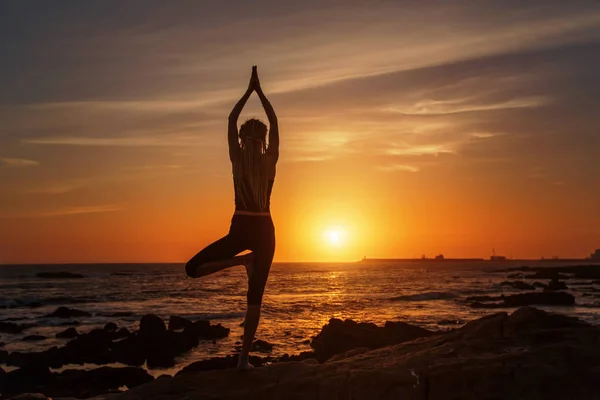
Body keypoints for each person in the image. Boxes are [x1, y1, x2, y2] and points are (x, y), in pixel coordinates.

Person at [185, 66, 278, 370]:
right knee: (255, 299)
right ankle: (243, 360)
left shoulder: (237, 160)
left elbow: (230, 119)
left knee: (192, 269)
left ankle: (241, 261)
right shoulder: (269, 161)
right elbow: (275, 120)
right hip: (264, 228)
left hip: (241, 226)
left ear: (241, 139)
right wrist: (260, 93)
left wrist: (248, 91)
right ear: (264, 139)